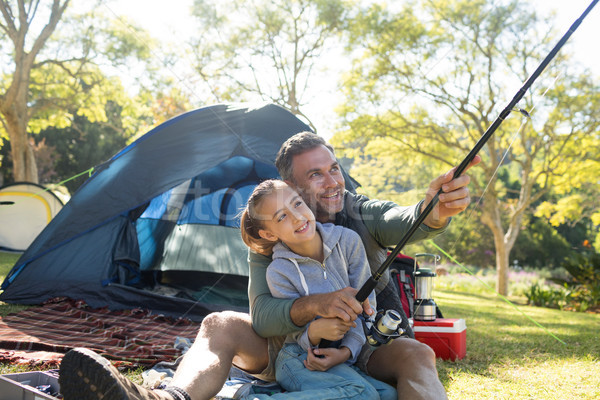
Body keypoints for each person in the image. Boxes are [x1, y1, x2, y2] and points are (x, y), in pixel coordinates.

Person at [59, 132, 479, 400]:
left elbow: (407, 219)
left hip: (365, 345)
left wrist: (435, 210)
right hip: (287, 350)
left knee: (418, 354)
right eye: (316, 176)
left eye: (334, 169)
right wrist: (318, 307)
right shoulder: (270, 239)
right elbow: (262, 316)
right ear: (288, 189)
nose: (333, 182)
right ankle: (167, 399)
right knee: (220, 322)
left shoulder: (358, 213)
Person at [239, 179, 396, 399]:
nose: (296, 216)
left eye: (297, 204)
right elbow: (293, 331)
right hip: (298, 358)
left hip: (339, 359)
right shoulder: (279, 271)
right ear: (269, 234)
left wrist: (346, 351)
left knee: (388, 394)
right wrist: (313, 333)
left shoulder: (348, 241)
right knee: (363, 395)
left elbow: (367, 308)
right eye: (281, 217)